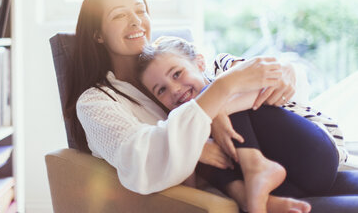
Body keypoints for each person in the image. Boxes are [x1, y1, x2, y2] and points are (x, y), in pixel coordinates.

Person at [66, 0, 358, 213]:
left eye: (140, 10)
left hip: (298, 156)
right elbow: (140, 158)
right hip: (257, 187)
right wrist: (206, 122)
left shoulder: (175, 60)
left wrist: (226, 101)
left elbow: (253, 75)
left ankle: (255, 175)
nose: (135, 21)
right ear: (98, 34)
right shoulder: (96, 102)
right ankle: (251, 191)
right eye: (119, 15)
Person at [137, 36, 344, 212]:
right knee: (194, 129)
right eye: (161, 90)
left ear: (199, 63)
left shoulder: (223, 66)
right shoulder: (181, 121)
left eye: (177, 74)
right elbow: (189, 184)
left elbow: (266, 84)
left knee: (214, 94)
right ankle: (248, 194)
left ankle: (255, 166)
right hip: (289, 186)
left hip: (313, 151)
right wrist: (193, 148)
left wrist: (217, 112)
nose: (174, 89)